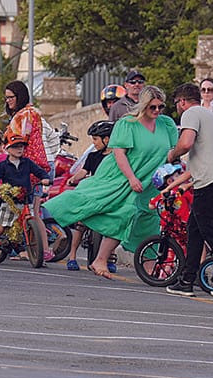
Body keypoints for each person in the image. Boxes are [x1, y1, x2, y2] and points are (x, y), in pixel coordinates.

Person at [47, 84, 177, 279]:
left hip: (150, 181)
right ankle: (47, 216)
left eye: (161, 107)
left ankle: (150, 268)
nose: (157, 111)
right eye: (153, 107)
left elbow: (172, 153)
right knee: (118, 210)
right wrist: (131, 178)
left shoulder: (166, 124)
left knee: (149, 221)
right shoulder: (128, 124)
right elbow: (119, 154)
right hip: (122, 176)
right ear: (143, 106)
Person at [166, 82, 213, 299]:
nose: (178, 108)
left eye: (177, 104)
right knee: (195, 231)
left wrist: (172, 154)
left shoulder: (191, 114)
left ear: (182, 101)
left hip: (211, 182)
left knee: (212, 232)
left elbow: (187, 143)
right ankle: (186, 280)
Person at [0, 135, 51, 263]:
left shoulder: (27, 162)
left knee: (30, 226)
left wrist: (45, 178)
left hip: (26, 200)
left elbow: (40, 172)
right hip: (11, 202)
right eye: (15, 146)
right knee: (1, 228)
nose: (19, 149)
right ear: (7, 148)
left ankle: (37, 256)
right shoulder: (3, 165)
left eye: (21, 147)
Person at [59, 120, 113, 270]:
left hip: (108, 193)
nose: (94, 143)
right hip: (93, 192)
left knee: (113, 225)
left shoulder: (116, 157)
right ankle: (72, 256)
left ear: (107, 139)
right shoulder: (93, 156)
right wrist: (73, 179)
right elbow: (83, 172)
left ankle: (110, 258)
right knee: (81, 223)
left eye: (96, 139)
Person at [3, 81, 49, 174]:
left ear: (20, 96)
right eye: (6, 98)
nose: (8, 101)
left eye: (11, 97)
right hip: (36, 164)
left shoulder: (22, 116)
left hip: (24, 166)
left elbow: (16, 141)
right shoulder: (33, 112)